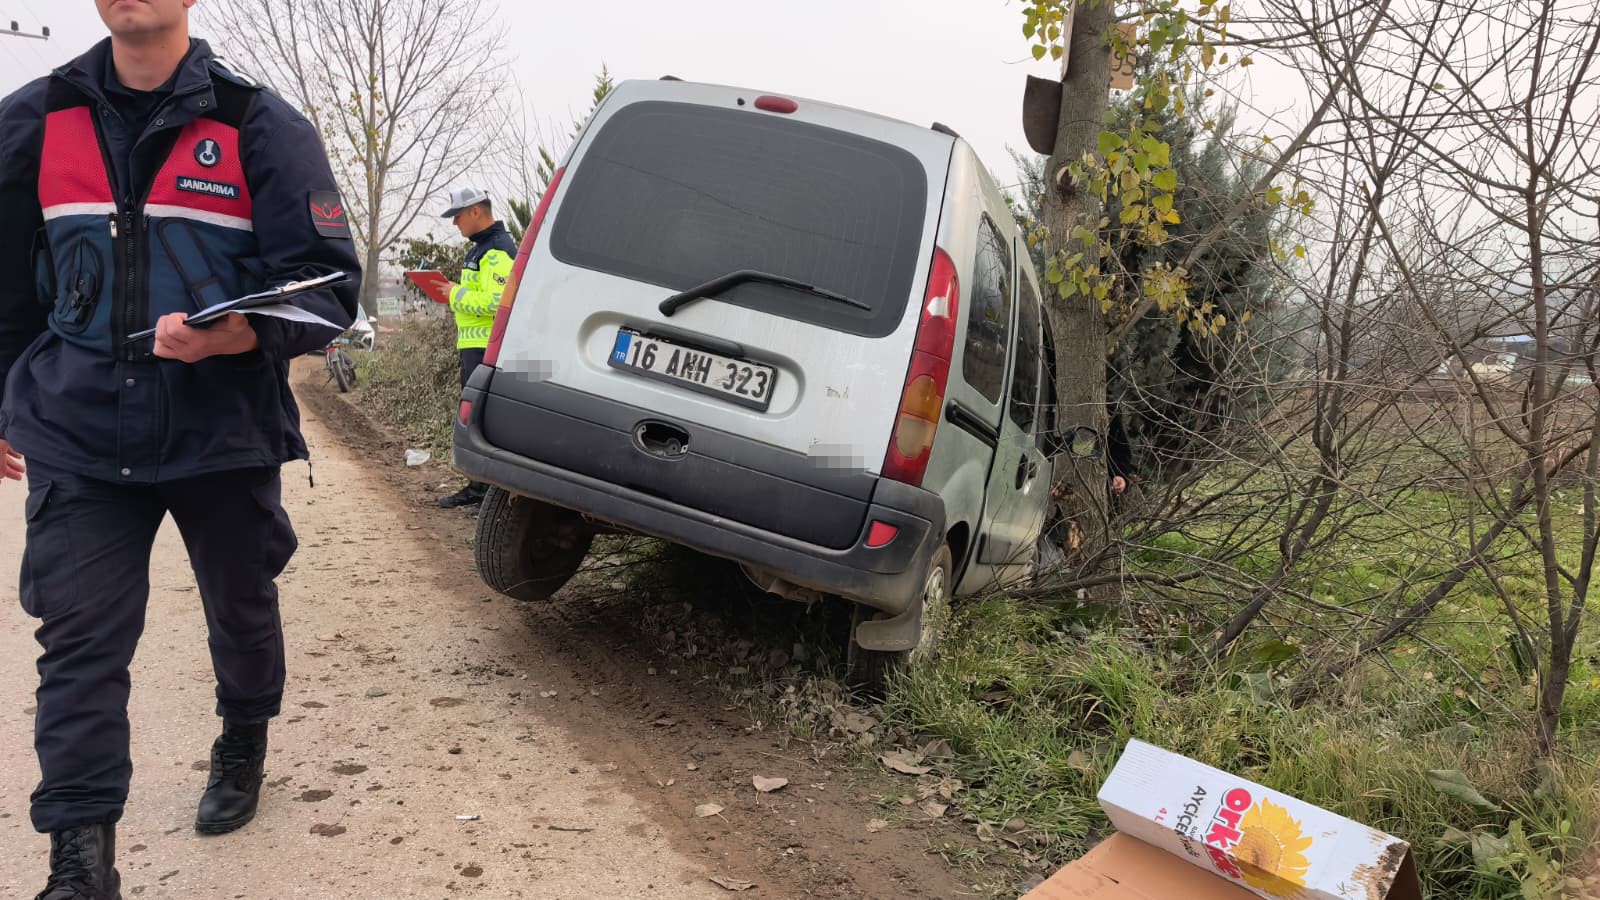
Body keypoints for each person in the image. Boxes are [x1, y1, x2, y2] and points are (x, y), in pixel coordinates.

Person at [0, 1, 360, 896]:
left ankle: (243, 734)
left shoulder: (261, 126)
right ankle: (80, 866)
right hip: (79, 431)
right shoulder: (33, 121)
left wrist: (241, 334)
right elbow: (5, 284)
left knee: (241, 606)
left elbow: (327, 290)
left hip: (222, 431)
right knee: (79, 644)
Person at [436, 187, 517, 509]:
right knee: (473, 419)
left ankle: (486, 493)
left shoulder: (497, 250)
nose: (455, 223)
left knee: (482, 420)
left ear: (475, 211)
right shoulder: (482, 248)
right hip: (474, 346)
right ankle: (477, 487)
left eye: (457, 216)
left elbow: (498, 302)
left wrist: (455, 294)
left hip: (487, 349)